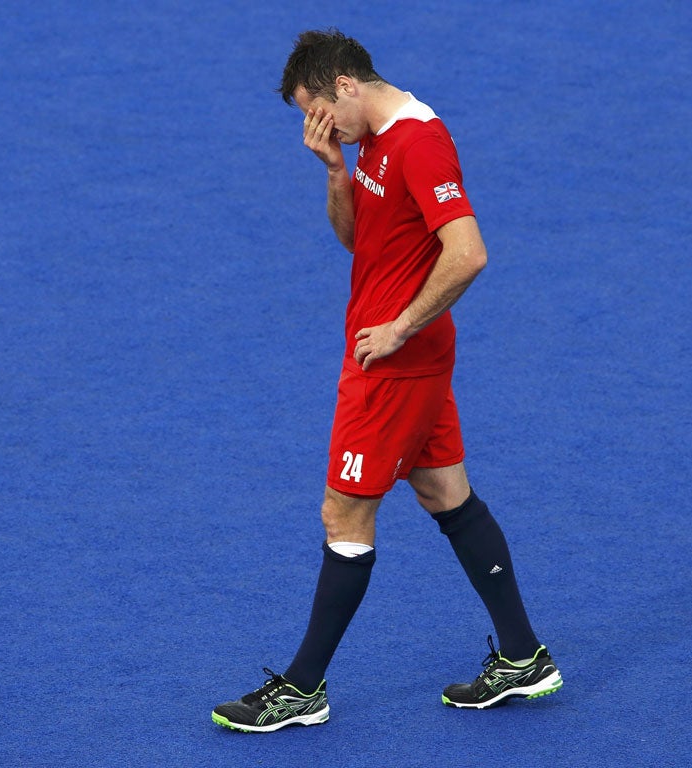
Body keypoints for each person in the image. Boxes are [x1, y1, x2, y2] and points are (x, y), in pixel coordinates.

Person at [211, 29, 562, 733]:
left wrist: (400, 327)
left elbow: (469, 252)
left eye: (318, 112)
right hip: (402, 358)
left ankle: (303, 688)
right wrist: (335, 171)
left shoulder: (418, 143)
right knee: (444, 493)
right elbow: (360, 241)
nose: (317, 126)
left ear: (345, 84)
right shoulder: (370, 139)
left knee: (343, 514)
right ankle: (524, 657)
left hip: (392, 365)